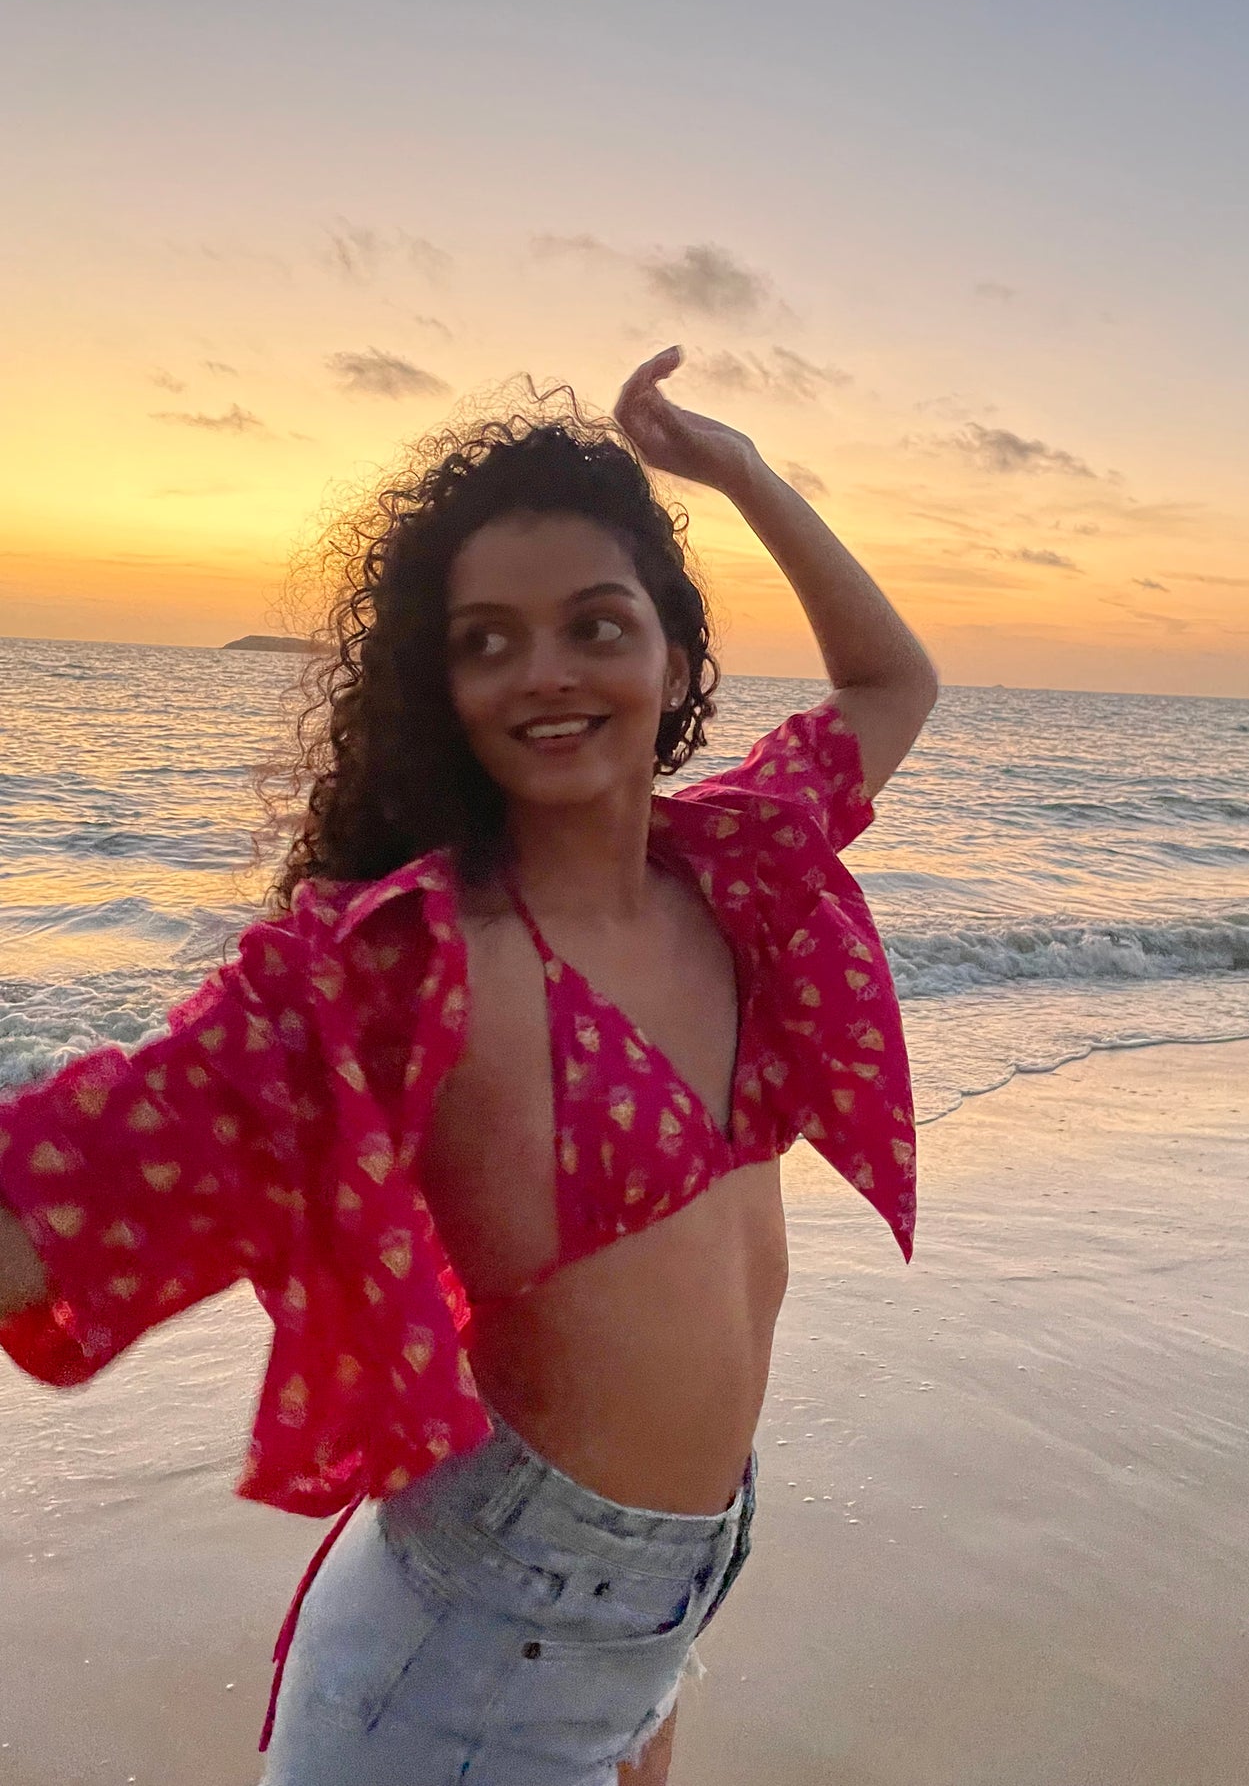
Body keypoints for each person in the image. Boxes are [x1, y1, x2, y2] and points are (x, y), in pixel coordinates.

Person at [0, 345, 936, 1785]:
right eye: (484, 639)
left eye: (594, 623)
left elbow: (891, 676)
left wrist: (737, 471)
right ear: (437, 687)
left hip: (659, 1607)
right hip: (470, 1658)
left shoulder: (733, 867)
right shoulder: (404, 963)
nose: (543, 673)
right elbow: (82, 1178)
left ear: (672, 654)